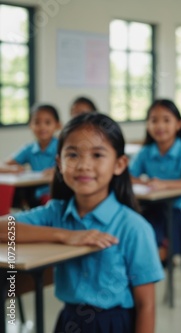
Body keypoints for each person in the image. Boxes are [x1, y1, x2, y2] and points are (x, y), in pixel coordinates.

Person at [0, 113, 164, 332]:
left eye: (97, 155)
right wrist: (65, 235)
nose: (84, 165)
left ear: (119, 164)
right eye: (73, 155)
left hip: (114, 323)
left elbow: (146, 305)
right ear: (59, 163)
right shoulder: (56, 213)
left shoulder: (133, 227)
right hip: (70, 320)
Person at [130, 99, 181, 259]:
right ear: (148, 125)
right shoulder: (146, 152)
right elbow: (126, 176)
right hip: (150, 207)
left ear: (178, 124)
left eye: (166, 120)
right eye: (154, 120)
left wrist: (164, 185)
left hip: (175, 211)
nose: (160, 126)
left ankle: (155, 256)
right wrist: (146, 183)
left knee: (151, 235)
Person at [0, 104, 61, 207]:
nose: (42, 127)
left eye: (47, 122)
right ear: (30, 125)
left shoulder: (62, 147)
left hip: (55, 195)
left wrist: (57, 170)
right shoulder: (29, 149)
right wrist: (12, 169)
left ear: (57, 125)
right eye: (37, 122)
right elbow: (3, 165)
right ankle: (10, 221)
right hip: (35, 196)